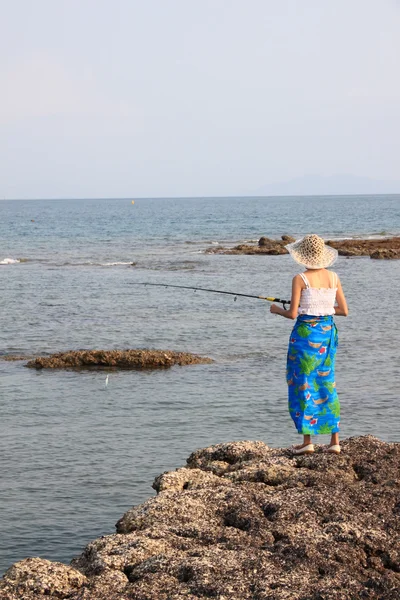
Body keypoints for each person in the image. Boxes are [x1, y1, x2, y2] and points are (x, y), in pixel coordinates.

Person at [270, 234, 348, 455]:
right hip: (327, 335)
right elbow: (343, 310)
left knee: (302, 383)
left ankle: (308, 442)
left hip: (305, 336)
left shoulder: (300, 279)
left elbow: (292, 313)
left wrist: (277, 310)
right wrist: (320, 308)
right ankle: (335, 441)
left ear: (303, 256)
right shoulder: (333, 277)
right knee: (327, 382)